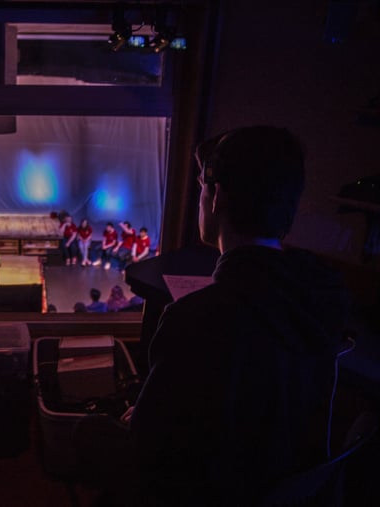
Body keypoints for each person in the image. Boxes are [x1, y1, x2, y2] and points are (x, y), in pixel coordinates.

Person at [124, 126, 350, 506]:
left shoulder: (193, 319)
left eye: (202, 187)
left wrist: (136, 419)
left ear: (216, 200)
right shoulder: (325, 297)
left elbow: (150, 445)